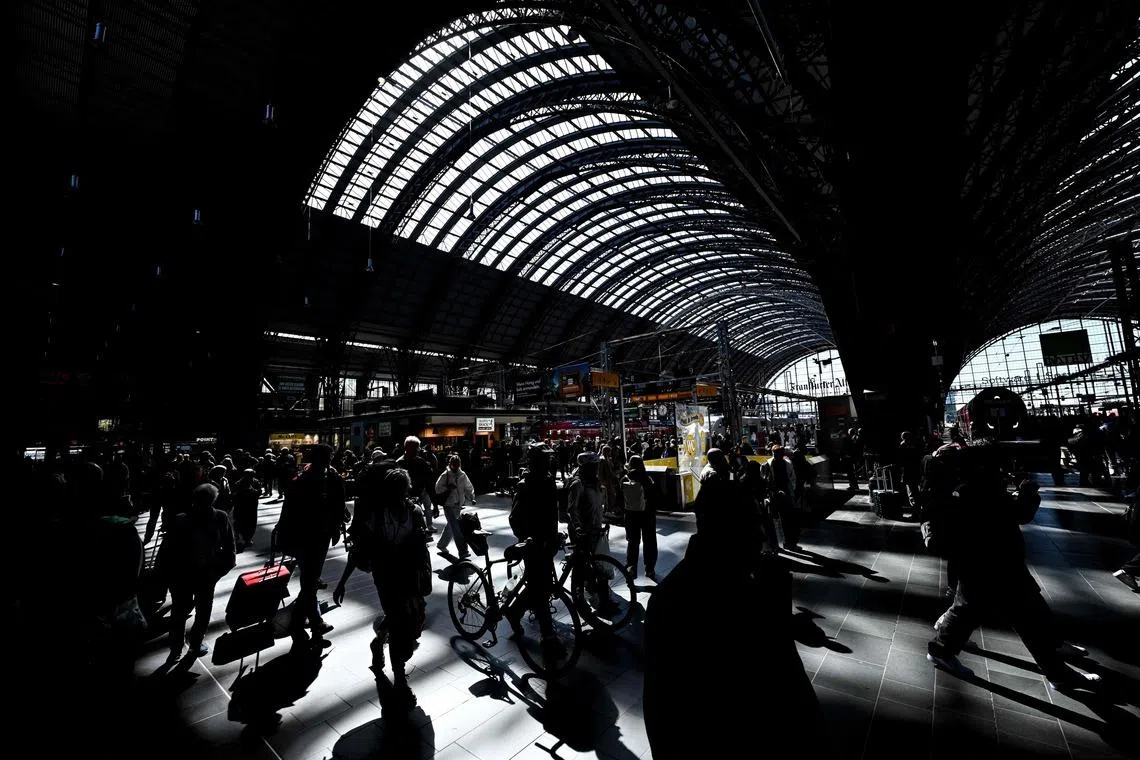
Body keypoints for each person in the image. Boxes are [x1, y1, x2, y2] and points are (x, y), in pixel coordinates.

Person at [927, 444, 1101, 691]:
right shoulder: (984, 487)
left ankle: (941, 649)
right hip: (999, 563)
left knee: (969, 610)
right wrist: (1028, 492)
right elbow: (1018, 513)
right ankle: (1057, 670)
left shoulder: (965, 487)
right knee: (1028, 616)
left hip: (978, 562)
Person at [277, 444, 345, 639]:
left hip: (303, 535)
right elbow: (339, 507)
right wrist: (336, 528)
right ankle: (314, 621)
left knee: (309, 577)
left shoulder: (300, 480)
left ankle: (300, 619)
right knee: (310, 578)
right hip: (318, 535)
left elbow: (287, 510)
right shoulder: (332, 479)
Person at [162, 483, 236, 661]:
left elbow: (167, 551)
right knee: (203, 610)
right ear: (213, 499)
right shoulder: (220, 517)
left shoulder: (181, 519)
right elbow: (229, 547)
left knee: (179, 611)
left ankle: (176, 647)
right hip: (207, 573)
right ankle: (196, 643)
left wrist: (168, 575)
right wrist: (220, 570)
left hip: (182, 574)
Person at [507, 443, 565, 662]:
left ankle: (514, 611)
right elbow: (514, 518)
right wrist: (525, 538)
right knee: (539, 590)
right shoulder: (525, 486)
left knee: (538, 585)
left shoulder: (549, 482)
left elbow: (552, 513)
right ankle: (548, 636)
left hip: (547, 543)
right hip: (532, 545)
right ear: (533, 462)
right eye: (542, 460)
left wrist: (555, 534)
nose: (546, 463)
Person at [622, 455, 659, 580]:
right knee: (649, 541)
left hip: (630, 515)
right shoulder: (647, 479)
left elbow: (619, 498)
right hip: (647, 514)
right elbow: (654, 497)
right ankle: (649, 569)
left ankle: (632, 568)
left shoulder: (624, 479)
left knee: (632, 542)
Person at [434, 454, 475, 560]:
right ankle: (463, 551)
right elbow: (437, 488)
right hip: (448, 504)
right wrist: (448, 487)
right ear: (450, 464)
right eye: (454, 465)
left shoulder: (462, 475)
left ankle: (441, 545)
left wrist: (471, 497)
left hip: (458, 504)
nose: (456, 467)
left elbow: (468, 487)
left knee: (451, 526)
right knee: (456, 528)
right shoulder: (445, 475)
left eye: (458, 465)